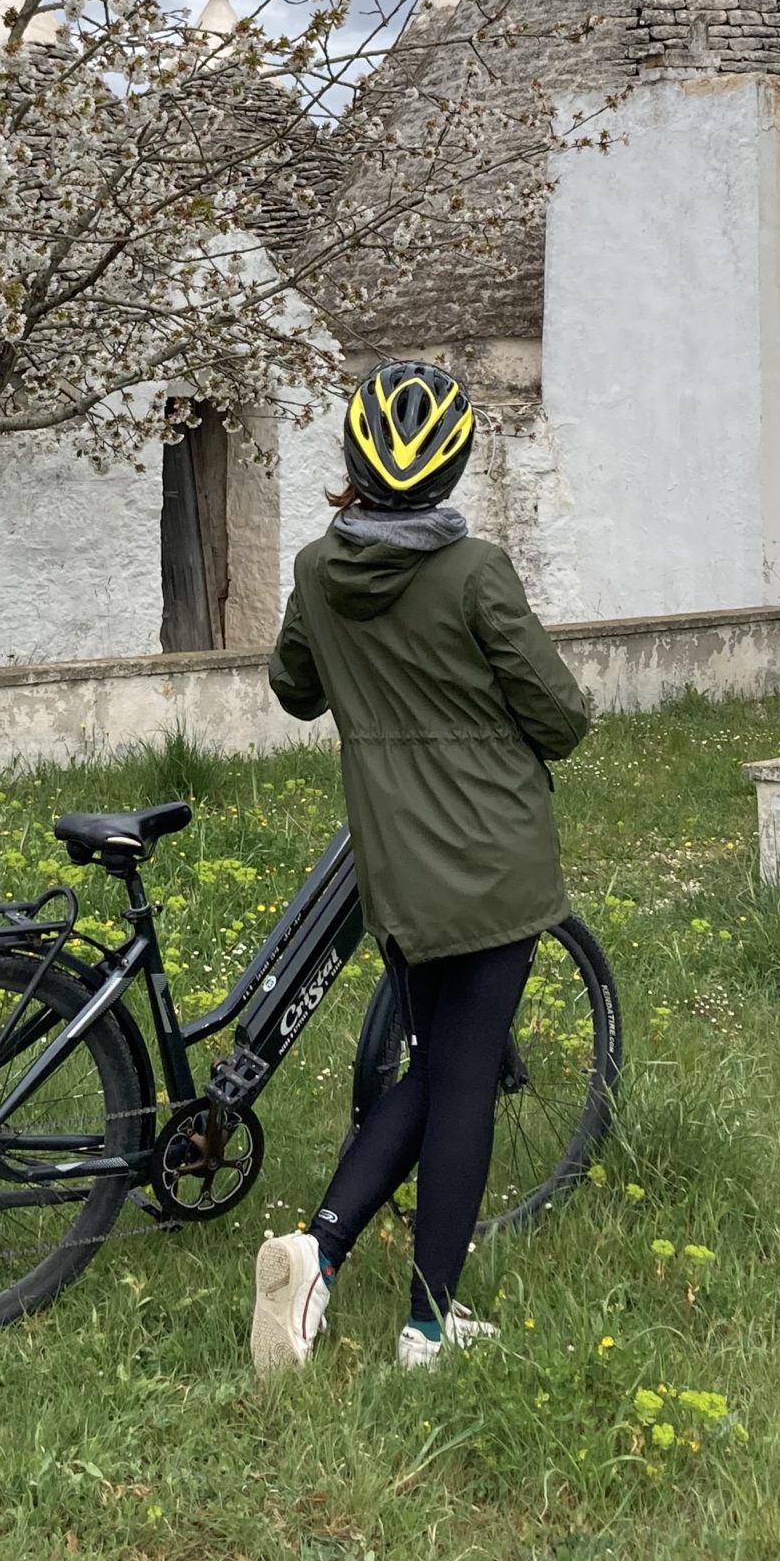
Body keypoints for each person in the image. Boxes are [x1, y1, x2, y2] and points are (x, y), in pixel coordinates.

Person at [250, 360, 591, 1374]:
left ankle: (318, 1249)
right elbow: (560, 716)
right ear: (454, 468)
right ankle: (430, 1326)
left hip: (394, 868)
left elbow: (294, 690)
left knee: (440, 1065)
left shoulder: (317, 570)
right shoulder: (477, 572)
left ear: (356, 460)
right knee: (464, 1079)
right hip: (494, 863)